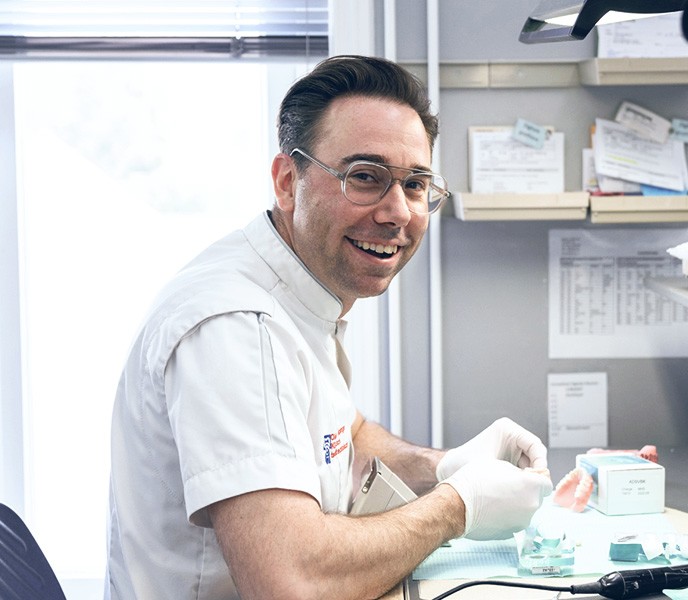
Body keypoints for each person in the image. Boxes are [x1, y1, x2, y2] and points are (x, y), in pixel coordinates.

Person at [106, 55, 553, 600]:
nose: (397, 213)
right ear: (288, 181)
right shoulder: (238, 329)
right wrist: (457, 505)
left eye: (416, 185)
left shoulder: (299, 290)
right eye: (365, 177)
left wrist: (443, 466)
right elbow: (290, 584)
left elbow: (341, 435)